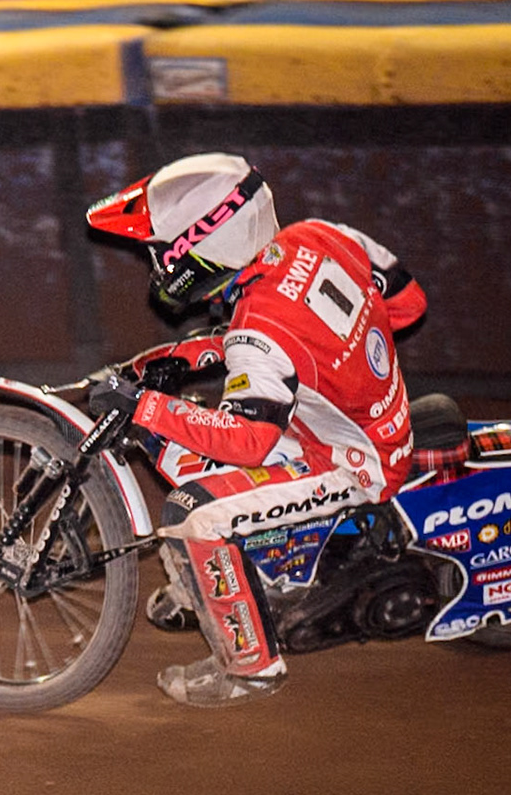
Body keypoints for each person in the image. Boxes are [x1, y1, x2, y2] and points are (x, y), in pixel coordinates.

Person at [84, 153, 428, 707]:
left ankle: (252, 668)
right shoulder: (320, 234)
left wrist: (145, 405)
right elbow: (408, 305)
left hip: (353, 460)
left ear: (197, 248)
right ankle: (209, 585)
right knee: (194, 432)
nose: (155, 264)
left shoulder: (257, 330)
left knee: (193, 511)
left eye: (159, 251)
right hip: (370, 421)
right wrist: (193, 355)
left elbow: (249, 439)